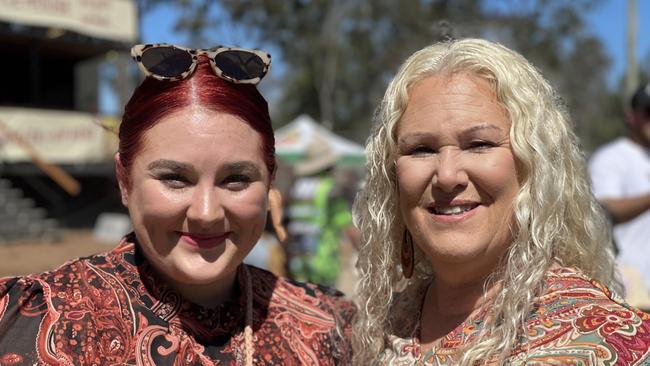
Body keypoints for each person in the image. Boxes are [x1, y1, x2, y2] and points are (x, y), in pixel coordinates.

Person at [0, 44, 353, 364]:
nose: (206, 213)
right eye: (175, 178)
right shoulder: (27, 319)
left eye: (236, 179)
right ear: (125, 181)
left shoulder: (328, 325)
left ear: (270, 181)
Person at [352, 38, 650, 365]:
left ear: (534, 165)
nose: (448, 175)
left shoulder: (611, 339)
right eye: (421, 149)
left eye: (478, 144)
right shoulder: (378, 329)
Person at [589, 82, 650, 309]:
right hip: (628, 292)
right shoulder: (612, 157)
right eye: (649, 112)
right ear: (631, 116)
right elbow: (604, 211)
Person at [286, 138, 357, 286]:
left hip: (299, 263)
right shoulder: (330, 190)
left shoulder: (297, 188)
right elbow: (347, 226)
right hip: (324, 263)